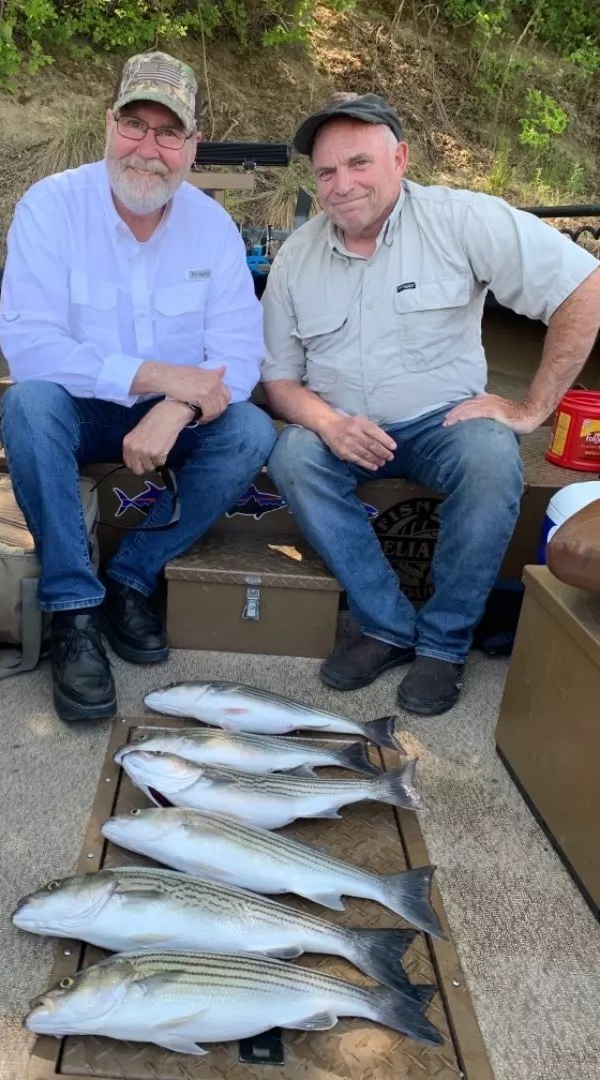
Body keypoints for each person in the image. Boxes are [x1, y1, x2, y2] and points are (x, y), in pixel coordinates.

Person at [261, 92, 600, 716]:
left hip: (443, 424)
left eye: (359, 163)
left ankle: (443, 645)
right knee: (292, 453)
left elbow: (585, 286)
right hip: (345, 431)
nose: (341, 185)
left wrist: (531, 409)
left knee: (494, 457)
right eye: (326, 173)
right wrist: (329, 423)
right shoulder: (294, 259)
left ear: (400, 158)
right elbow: (280, 381)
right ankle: (385, 624)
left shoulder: (463, 219)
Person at [0, 52, 277, 723]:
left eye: (168, 132)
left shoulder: (212, 226)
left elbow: (239, 353)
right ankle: (74, 610)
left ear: (191, 146)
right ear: (107, 125)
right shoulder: (51, 206)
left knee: (252, 431)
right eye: (134, 124)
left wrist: (176, 405)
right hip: (79, 408)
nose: (148, 149)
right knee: (26, 406)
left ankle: (130, 575)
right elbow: (28, 345)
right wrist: (156, 376)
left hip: (169, 416)